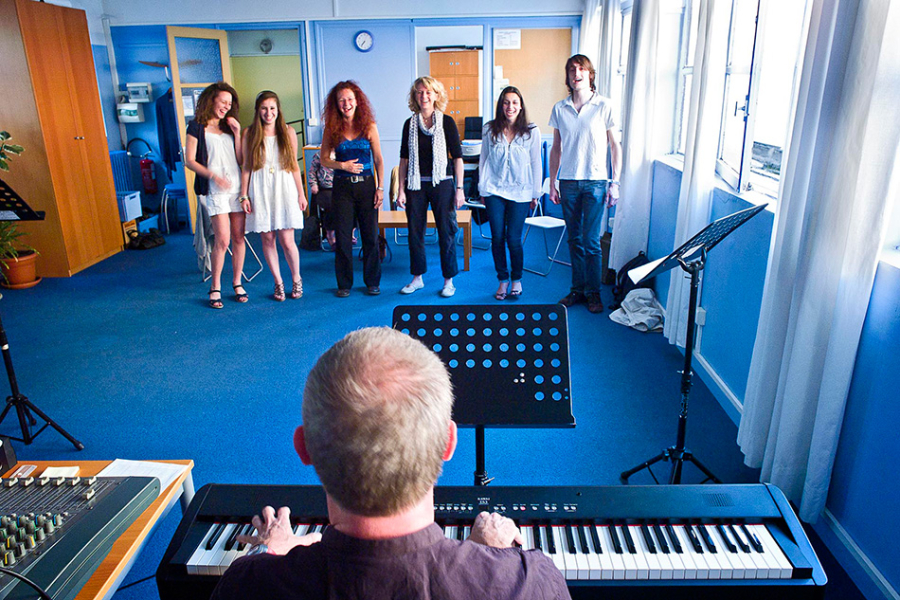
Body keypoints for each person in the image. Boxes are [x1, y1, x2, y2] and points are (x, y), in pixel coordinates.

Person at [210, 327, 570, 600]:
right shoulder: (528, 583)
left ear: (304, 448)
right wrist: (488, 558)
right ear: (449, 442)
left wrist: (272, 552)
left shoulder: (249, 585)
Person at [548, 54, 622, 314]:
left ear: (590, 75)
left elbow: (615, 146)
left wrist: (616, 182)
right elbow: (556, 148)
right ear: (567, 77)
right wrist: (552, 182)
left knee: (591, 241)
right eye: (571, 69)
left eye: (581, 69)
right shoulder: (560, 108)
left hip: (595, 182)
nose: (576, 73)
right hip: (568, 182)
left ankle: (593, 293)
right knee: (573, 239)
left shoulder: (604, 105)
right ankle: (577, 289)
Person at [397, 77, 465, 298]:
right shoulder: (409, 124)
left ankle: (449, 281)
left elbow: (457, 159)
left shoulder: (447, 122)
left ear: (436, 95)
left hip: (442, 184)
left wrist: (460, 188)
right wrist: (400, 189)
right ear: (414, 97)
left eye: (428, 92)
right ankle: (417, 278)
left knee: (446, 231)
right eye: (419, 92)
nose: (423, 96)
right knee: (415, 232)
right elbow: (404, 160)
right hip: (416, 185)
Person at [240, 91, 307, 301]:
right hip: (259, 189)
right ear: (258, 111)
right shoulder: (249, 133)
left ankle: (296, 279)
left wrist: (301, 194)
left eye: (272, 108)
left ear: (278, 110)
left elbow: (294, 165)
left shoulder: (288, 131)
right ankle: (278, 282)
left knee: (287, 240)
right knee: (267, 238)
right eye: (264, 108)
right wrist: (244, 195)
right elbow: (246, 167)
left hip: (284, 187)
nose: (268, 113)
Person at [319, 81, 385, 298]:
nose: (346, 104)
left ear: (357, 101)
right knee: (343, 237)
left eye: (349, 99)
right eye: (341, 100)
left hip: (367, 186)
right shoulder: (332, 128)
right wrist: (343, 166)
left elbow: (378, 159)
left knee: (370, 236)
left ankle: (372, 282)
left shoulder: (369, 126)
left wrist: (380, 188)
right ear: (336, 104)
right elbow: (324, 159)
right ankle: (344, 283)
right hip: (342, 188)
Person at [184, 82, 245, 309]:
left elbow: (240, 159)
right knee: (222, 240)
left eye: (230, 104)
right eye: (223, 102)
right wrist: (213, 176)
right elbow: (190, 161)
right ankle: (215, 286)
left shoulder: (230, 127)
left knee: (239, 238)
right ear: (212, 100)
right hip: (215, 190)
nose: (226, 107)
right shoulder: (196, 127)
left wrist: (238, 132)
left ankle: (237, 282)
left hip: (237, 188)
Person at [478, 86, 543, 301]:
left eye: (514, 102)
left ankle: (517, 279)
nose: (510, 106)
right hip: (494, 189)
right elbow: (484, 160)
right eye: (506, 102)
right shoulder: (489, 129)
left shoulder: (531, 131)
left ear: (521, 105)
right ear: (500, 105)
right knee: (497, 237)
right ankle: (502, 280)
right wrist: (482, 188)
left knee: (513, 238)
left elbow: (536, 162)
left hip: (521, 191)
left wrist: (535, 193)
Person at [306, 151, 335, 248]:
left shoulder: (344, 153)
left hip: (342, 187)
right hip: (325, 189)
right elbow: (312, 172)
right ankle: (330, 235)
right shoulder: (319, 155)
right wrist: (313, 184)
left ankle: (350, 233)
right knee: (330, 204)